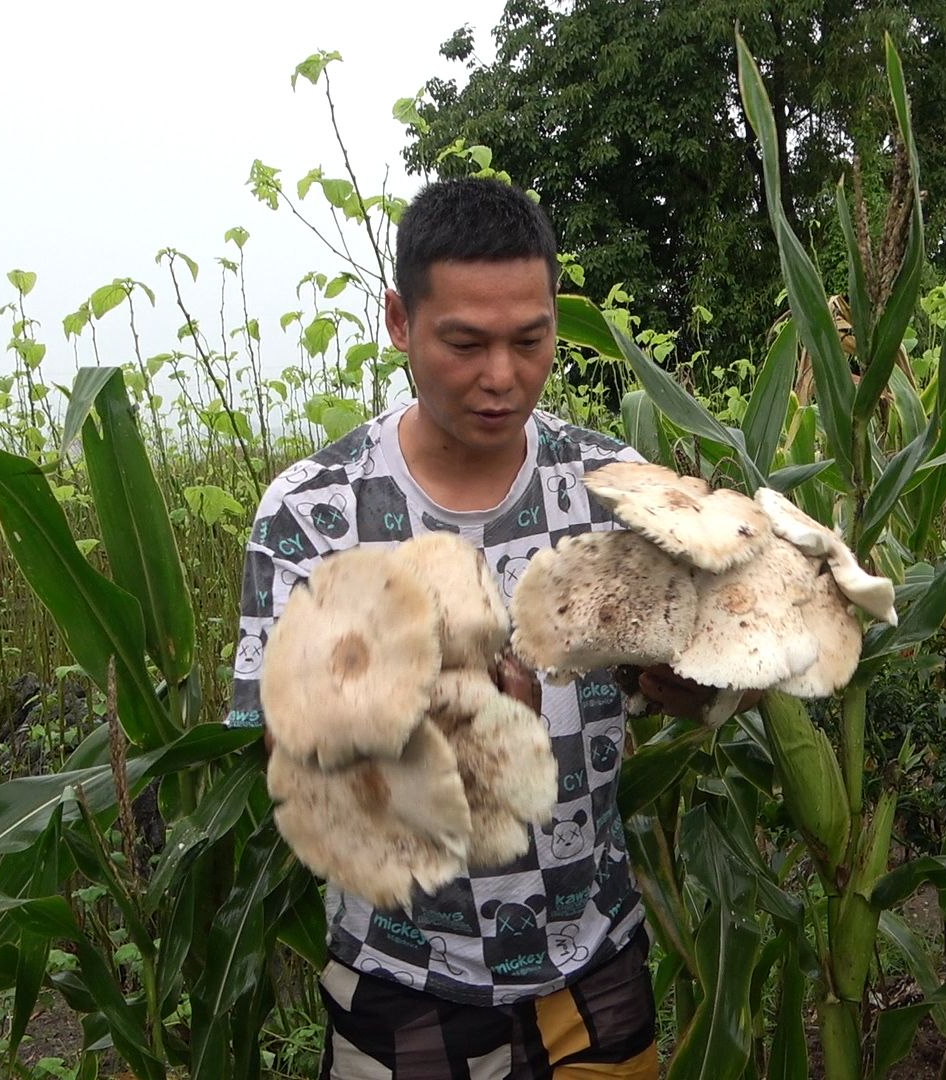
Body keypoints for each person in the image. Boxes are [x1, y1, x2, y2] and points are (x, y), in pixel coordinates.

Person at [225, 176, 726, 1079]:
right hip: (403, 979)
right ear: (399, 322)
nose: (502, 377)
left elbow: (676, 682)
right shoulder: (316, 512)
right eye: (464, 343)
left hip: (595, 959)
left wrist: (691, 682)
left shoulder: (613, 489)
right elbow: (283, 736)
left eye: (530, 341)